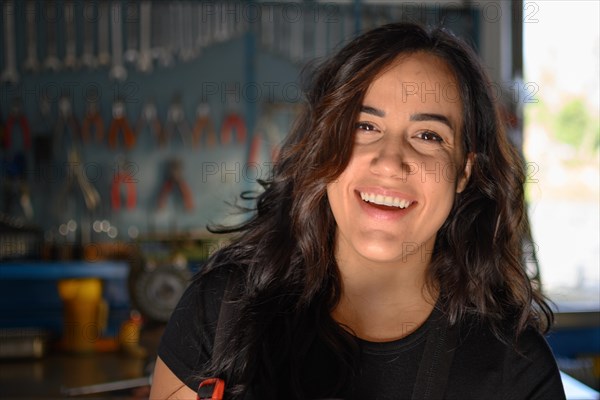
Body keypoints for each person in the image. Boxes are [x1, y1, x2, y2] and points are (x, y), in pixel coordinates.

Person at [150, 22, 566, 400]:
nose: (389, 162)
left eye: (427, 135)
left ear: (464, 172)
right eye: (364, 126)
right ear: (325, 144)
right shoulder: (221, 310)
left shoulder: (517, 370)